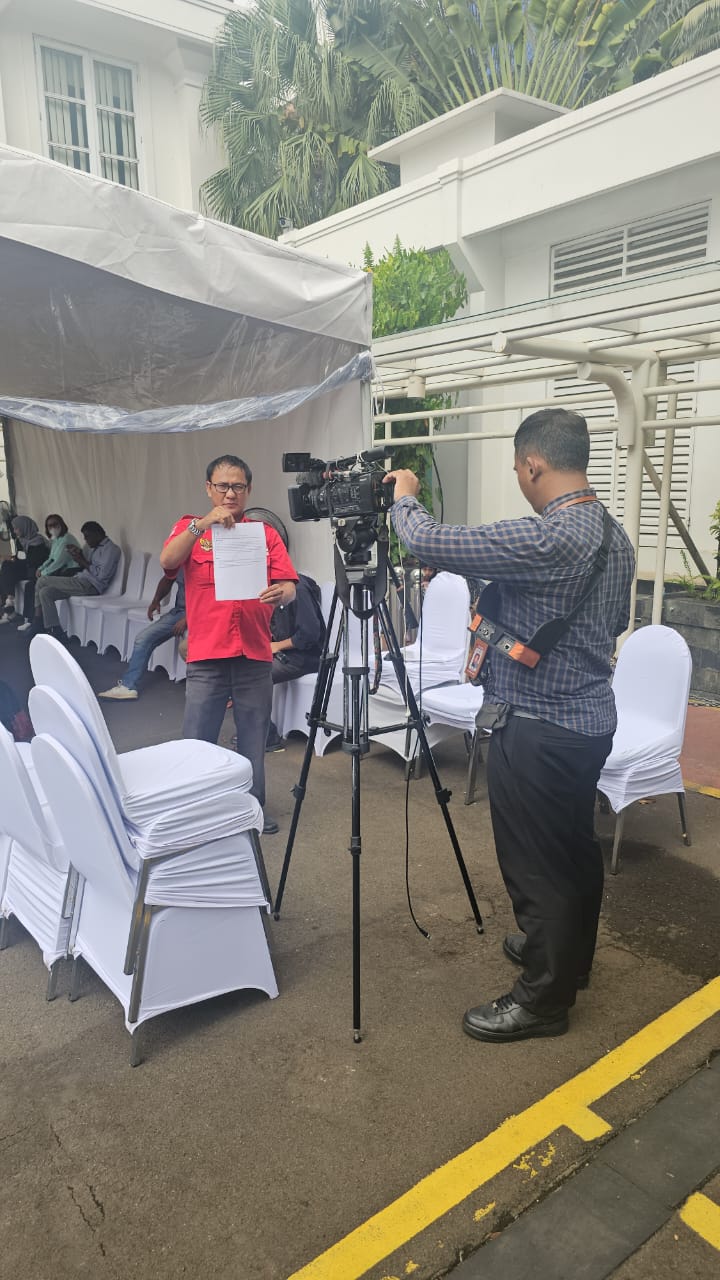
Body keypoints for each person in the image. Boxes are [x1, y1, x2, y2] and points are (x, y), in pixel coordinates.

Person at [385, 408, 635, 1044]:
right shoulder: (614, 537)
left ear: (533, 464)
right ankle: (566, 958)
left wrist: (404, 496)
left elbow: (429, 542)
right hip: (586, 722)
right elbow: (611, 625)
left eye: (519, 470)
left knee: (536, 866)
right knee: (571, 850)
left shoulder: (546, 537)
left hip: (538, 728)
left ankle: (543, 1000)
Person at [160, 454, 298, 835]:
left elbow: (289, 584)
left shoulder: (264, 535)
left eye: (238, 486)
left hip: (254, 653)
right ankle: (194, 814)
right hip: (208, 655)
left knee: (253, 738)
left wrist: (282, 592)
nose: (230, 493)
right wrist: (203, 523)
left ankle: (252, 811)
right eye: (223, 486)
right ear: (209, 488)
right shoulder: (191, 529)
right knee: (197, 739)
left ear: (249, 489)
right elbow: (167, 560)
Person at [98, 572, 187, 701]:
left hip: (202, 616)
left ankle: (206, 692)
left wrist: (187, 619)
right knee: (143, 639)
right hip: (179, 612)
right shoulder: (181, 562)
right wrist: (156, 600)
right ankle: (128, 687)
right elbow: (168, 579)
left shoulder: (208, 563)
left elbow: (212, 600)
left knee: (188, 649)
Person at [266, 572, 325, 751]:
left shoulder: (298, 590)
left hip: (305, 657)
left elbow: (310, 634)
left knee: (254, 676)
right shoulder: (272, 587)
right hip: (286, 654)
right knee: (243, 667)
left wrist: (277, 646)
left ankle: (267, 734)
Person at [35, 520, 121, 638]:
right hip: (81, 581)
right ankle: (55, 629)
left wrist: (82, 560)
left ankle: (36, 621)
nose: (86, 540)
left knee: (42, 581)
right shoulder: (94, 547)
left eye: (88, 537)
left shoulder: (111, 549)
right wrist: (77, 554)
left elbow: (101, 575)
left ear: (97, 534)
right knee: (45, 592)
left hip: (91, 586)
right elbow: (86, 565)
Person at [17, 514, 81, 632]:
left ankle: (37, 621)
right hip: (60, 572)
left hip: (71, 573)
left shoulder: (67, 539)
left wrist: (44, 573)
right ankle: (35, 621)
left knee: (38, 583)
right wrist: (40, 569)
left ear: (61, 524)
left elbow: (59, 562)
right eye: (49, 526)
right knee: (33, 586)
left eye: (55, 524)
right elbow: (51, 559)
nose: (52, 528)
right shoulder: (56, 540)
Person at [0, 517, 48, 622]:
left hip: (35, 571)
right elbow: (20, 558)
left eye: (16, 528)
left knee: (9, 568)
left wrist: (16, 561)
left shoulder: (38, 542)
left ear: (24, 527)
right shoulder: (21, 541)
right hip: (26, 568)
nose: (15, 531)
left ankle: (10, 606)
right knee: (5, 567)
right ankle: (8, 603)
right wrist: (13, 559)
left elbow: (33, 561)